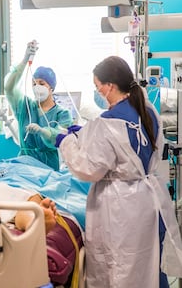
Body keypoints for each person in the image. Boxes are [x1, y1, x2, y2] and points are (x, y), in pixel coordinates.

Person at [55, 56, 182, 288]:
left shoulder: (109, 122)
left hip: (120, 208)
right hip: (146, 201)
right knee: (147, 263)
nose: (97, 91)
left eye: (97, 86)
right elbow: (123, 146)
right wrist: (85, 133)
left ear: (109, 86)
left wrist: (66, 142)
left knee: (120, 267)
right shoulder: (148, 110)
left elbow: (89, 168)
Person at [4, 40, 73, 171]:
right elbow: (9, 88)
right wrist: (25, 60)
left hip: (47, 168)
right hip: (24, 165)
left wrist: (43, 131)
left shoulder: (62, 114)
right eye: (34, 83)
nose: (37, 87)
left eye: (41, 83)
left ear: (51, 88)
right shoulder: (25, 107)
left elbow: (59, 136)